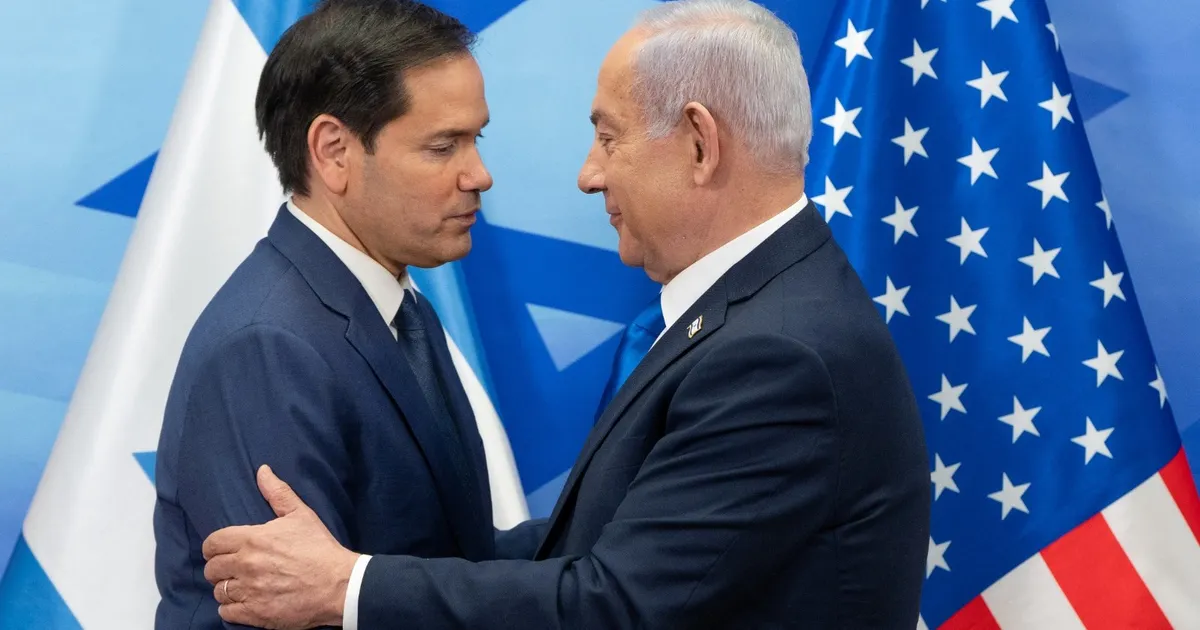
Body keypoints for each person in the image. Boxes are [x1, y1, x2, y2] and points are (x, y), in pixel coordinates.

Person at [200, 1, 931, 628]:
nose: (589, 174)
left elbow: (615, 601)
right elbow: (611, 543)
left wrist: (347, 586)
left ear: (700, 144)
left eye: (609, 137)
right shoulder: (767, 310)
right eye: (444, 145)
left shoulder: (779, 353)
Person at [152, 2, 546, 628]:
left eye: (477, 140)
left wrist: (631, 527)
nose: (479, 175)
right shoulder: (269, 347)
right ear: (334, 151)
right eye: (443, 146)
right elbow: (291, 614)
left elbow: (449, 556)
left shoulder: (397, 308)